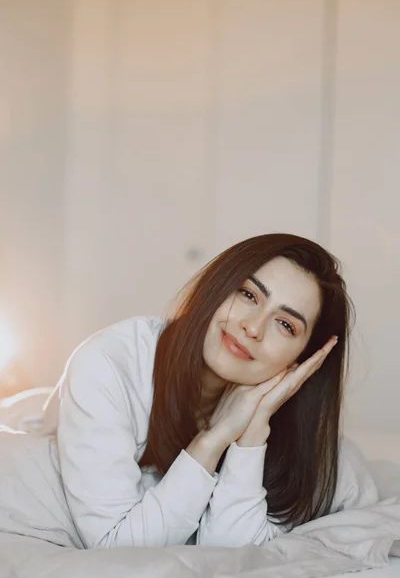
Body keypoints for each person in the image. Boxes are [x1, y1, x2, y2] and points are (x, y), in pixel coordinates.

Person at [42, 232, 378, 549]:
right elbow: (115, 548)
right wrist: (214, 438)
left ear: (302, 361)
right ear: (216, 287)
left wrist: (253, 431)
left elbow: (228, 552)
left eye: (285, 325)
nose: (253, 327)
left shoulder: (301, 440)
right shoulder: (110, 364)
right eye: (248, 295)